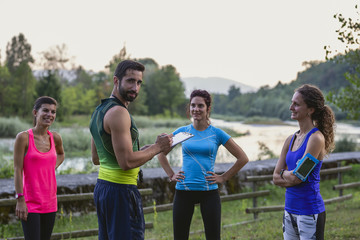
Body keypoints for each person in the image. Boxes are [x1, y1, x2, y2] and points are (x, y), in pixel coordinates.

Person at [89, 60, 173, 240]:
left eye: (139, 82)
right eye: (130, 81)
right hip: (121, 192)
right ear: (116, 80)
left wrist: (148, 150)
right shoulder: (119, 113)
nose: (135, 87)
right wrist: (158, 147)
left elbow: (97, 158)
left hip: (104, 189)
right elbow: (126, 162)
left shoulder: (99, 111)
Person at [158, 89, 249, 240]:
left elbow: (243, 158)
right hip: (184, 191)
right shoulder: (183, 132)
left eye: (200, 106)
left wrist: (223, 177)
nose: (196, 109)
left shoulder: (217, 133)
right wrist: (171, 174)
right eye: (193, 105)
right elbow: (160, 153)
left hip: (209, 192)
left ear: (208, 108)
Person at [273, 84, 335, 240]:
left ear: (310, 110)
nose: (290, 107)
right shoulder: (290, 139)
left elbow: (298, 177)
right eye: (292, 102)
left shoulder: (316, 138)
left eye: (296, 104)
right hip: (289, 210)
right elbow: (275, 177)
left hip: (309, 212)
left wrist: (284, 174)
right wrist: (288, 174)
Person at [13, 96, 65, 240]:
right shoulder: (23, 137)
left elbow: (61, 154)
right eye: (45, 110)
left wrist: (50, 167)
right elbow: (17, 170)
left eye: (53, 112)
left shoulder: (55, 138)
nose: (50, 115)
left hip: (50, 201)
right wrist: (20, 199)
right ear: (35, 113)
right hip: (30, 201)